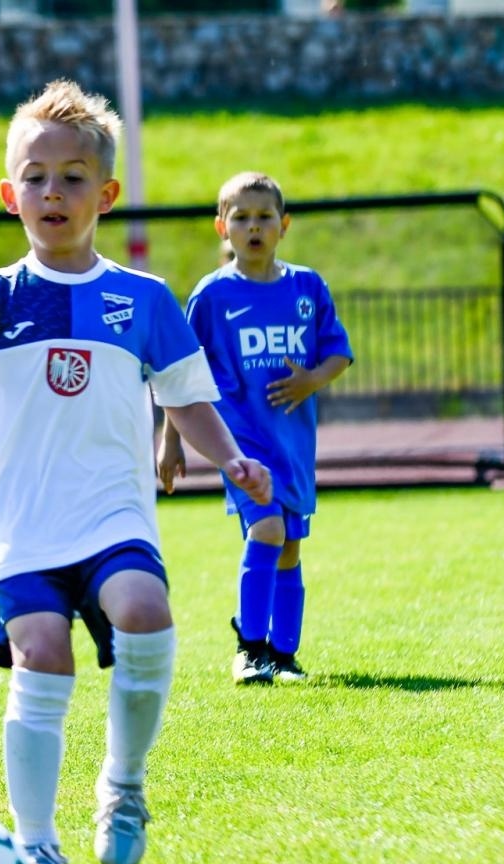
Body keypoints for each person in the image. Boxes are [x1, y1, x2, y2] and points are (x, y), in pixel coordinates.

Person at [0, 80, 272, 864]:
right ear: (11, 196)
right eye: (37, 177)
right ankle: (35, 842)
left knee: (146, 613)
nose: (55, 191)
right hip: (19, 530)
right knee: (42, 655)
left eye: (74, 176)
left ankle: (122, 783)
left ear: (106, 194)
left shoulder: (143, 300)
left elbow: (185, 398)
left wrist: (229, 459)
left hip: (113, 515)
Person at [158, 171, 352, 685]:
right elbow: (180, 371)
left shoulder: (308, 287)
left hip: (292, 443)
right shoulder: (212, 296)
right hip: (240, 442)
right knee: (267, 528)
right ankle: (249, 648)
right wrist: (171, 438)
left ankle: (284, 655)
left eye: (265, 216)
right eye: (241, 217)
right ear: (222, 227)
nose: (254, 226)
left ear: (284, 225)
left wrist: (312, 379)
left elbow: (339, 354)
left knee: (289, 543)